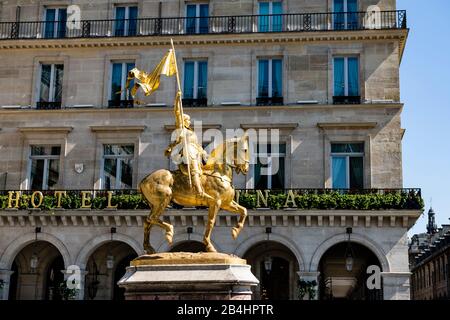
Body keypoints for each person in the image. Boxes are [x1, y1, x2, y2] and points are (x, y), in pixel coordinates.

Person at [164, 92, 213, 202]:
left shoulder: (192, 133)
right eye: (187, 120)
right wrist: (177, 99)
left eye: (189, 121)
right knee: (192, 159)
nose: (189, 122)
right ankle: (200, 192)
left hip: (195, 154)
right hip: (185, 156)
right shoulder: (181, 129)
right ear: (183, 121)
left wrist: (205, 154)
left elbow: (198, 146)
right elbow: (177, 113)